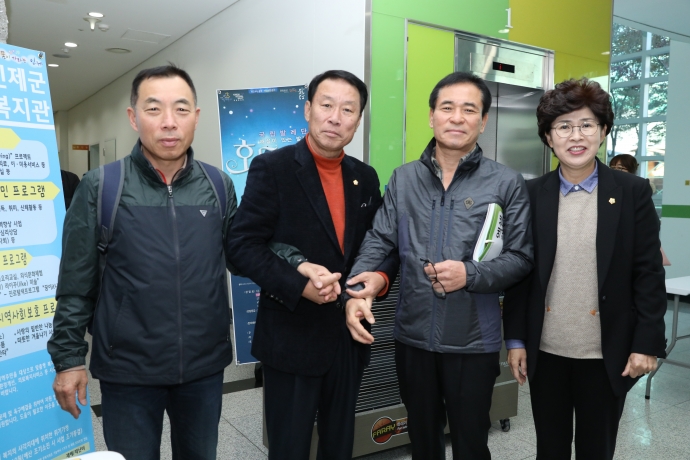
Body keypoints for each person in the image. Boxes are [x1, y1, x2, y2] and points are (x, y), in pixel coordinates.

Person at [48, 65, 239, 460]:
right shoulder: (102, 186)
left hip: (203, 368)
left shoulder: (219, 186)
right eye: (154, 109)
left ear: (196, 117)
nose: (169, 122)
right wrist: (68, 360)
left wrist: (298, 264)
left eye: (181, 109)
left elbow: (245, 253)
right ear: (134, 117)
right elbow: (75, 284)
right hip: (127, 371)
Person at [344, 71, 533, 459]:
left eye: (469, 109)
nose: (457, 117)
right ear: (431, 116)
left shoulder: (506, 182)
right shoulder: (404, 179)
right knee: (423, 439)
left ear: (483, 121)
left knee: (470, 441)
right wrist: (358, 290)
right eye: (447, 107)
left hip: (474, 340)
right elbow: (380, 239)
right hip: (413, 337)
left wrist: (470, 274)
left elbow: (521, 257)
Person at [226, 70, 398, 460]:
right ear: (307, 110)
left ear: (358, 120)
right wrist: (298, 284)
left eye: (348, 110)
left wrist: (378, 278)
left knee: (339, 445)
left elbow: (382, 244)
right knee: (289, 447)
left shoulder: (365, 176)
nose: (335, 117)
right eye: (327, 105)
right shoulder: (273, 168)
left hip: (348, 337)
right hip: (291, 336)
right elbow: (240, 246)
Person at [503, 78, 667, 460]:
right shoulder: (531, 194)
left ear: (603, 131)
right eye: (563, 126)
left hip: (606, 353)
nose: (575, 136)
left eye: (586, 124)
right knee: (551, 450)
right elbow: (520, 273)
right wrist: (516, 340)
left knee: (596, 450)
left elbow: (648, 273)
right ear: (548, 137)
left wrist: (646, 343)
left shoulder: (632, 192)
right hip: (547, 351)